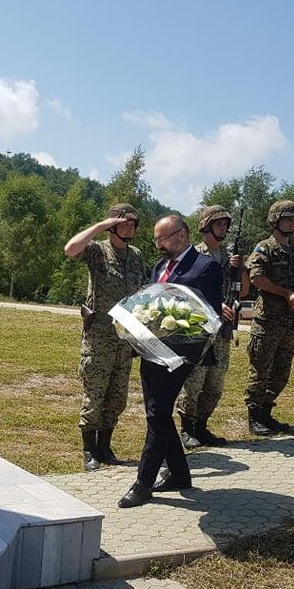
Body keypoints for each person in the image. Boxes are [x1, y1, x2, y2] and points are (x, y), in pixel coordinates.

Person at [118, 215, 224, 508]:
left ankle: (143, 483)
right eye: (155, 239)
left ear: (181, 235)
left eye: (161, 239)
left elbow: (209, 315)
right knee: (158, 415)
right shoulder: (159, 267)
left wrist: (178, 329)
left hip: (179, 355)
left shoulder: (205, 267)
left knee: (157, 414)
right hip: (151, 351)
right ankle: (179, 473)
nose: (158, 245)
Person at [64, 203, 145, 471]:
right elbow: (70, 249)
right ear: (112, 226)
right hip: (99, 336)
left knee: (117, 395)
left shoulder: (136, 255)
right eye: (124, 223)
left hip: (125, 338)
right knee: (95, 393)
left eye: (132, 223)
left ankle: (105, 447)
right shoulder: (98, 251)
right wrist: (101, 226)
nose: (130, 227)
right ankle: (89, 450)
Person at [176, 205, 241, 449]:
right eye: (218, 224)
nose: (223, 228)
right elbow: (183, 291)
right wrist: (215, 304)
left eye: (225, 224)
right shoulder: (193, 256)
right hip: (200, 329)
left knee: (215, 383)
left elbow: (244, 290)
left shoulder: (229, 257)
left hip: (223, 331)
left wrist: (240, 269)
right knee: (194, 381)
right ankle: (187, 428)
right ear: (206, 226)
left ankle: (201, 425)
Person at [243, 200, 294, 435]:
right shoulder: (265, 248)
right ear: (275, 221)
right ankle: (254, 415)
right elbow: (256, 279)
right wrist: (286, 293)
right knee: (260, 370)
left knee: (281, 372)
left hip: (289, 321)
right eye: (288, 219)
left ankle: (266, 412)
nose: (292, 224)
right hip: (267, 319)